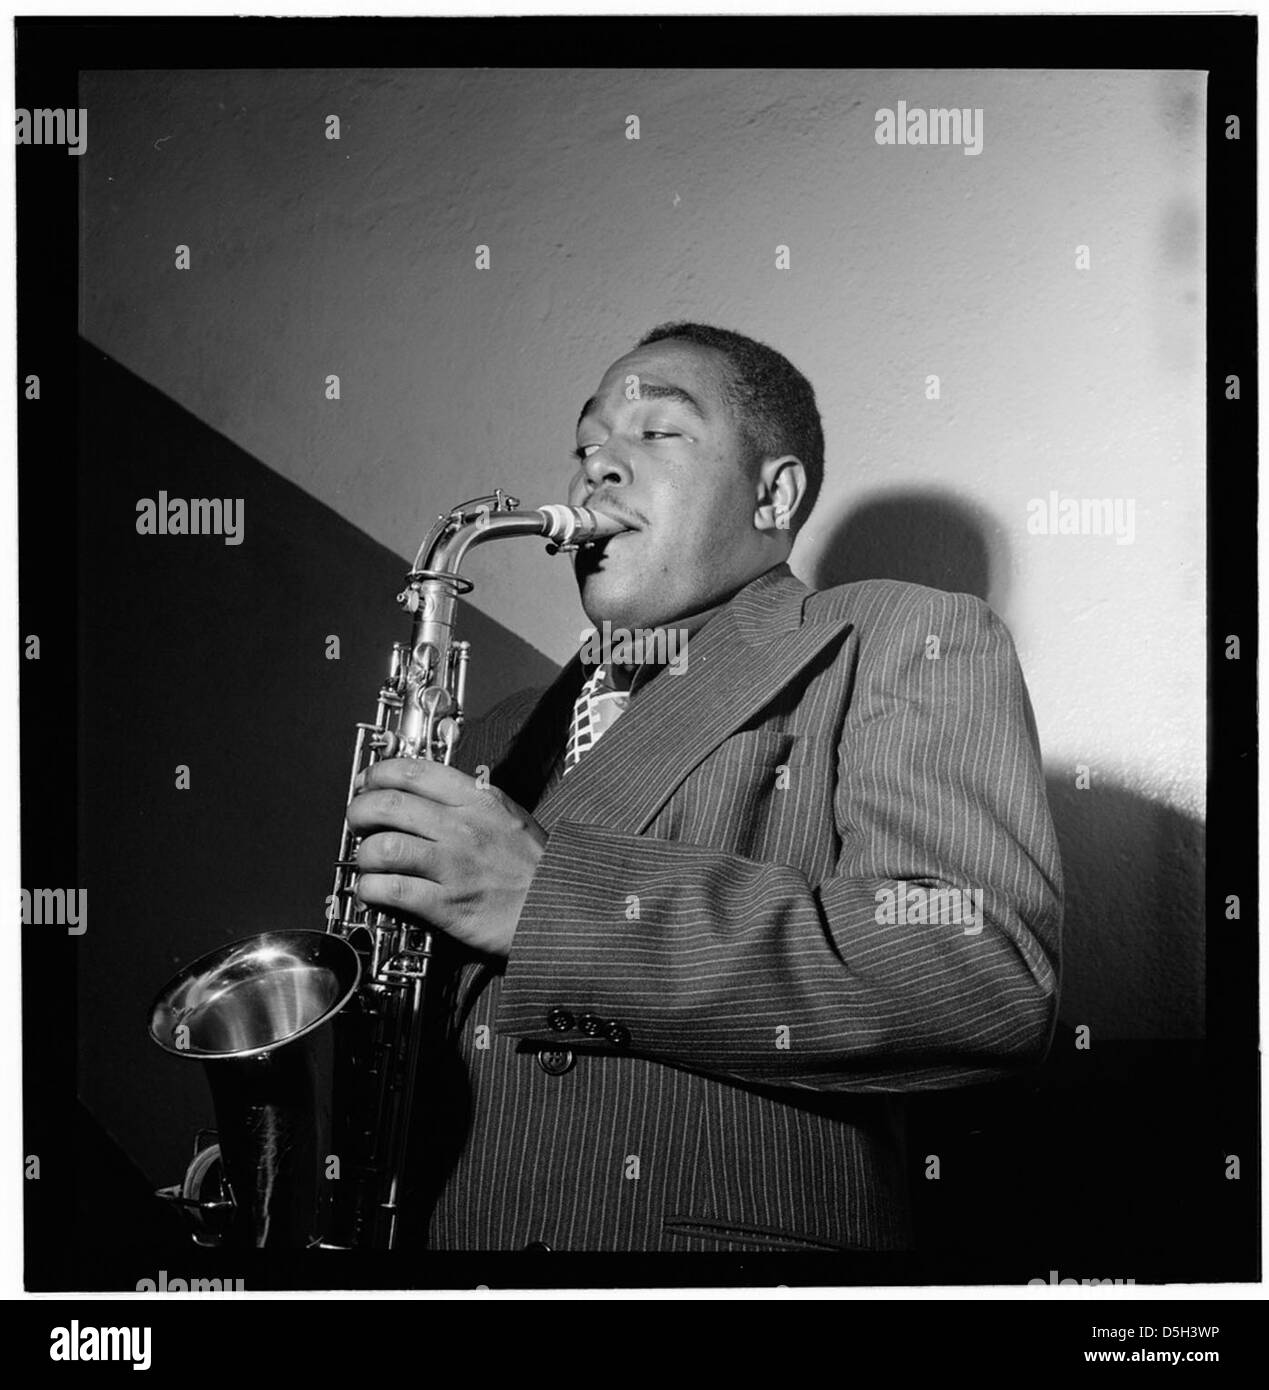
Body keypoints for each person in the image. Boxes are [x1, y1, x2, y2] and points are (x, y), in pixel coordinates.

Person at [346, 321, 1063, 1253]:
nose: (596, 467)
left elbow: (979, 973)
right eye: (587, 443)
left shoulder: (901, 634)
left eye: (655, 433)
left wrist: (553, 904)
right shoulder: (490, 735)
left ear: (774, 494)